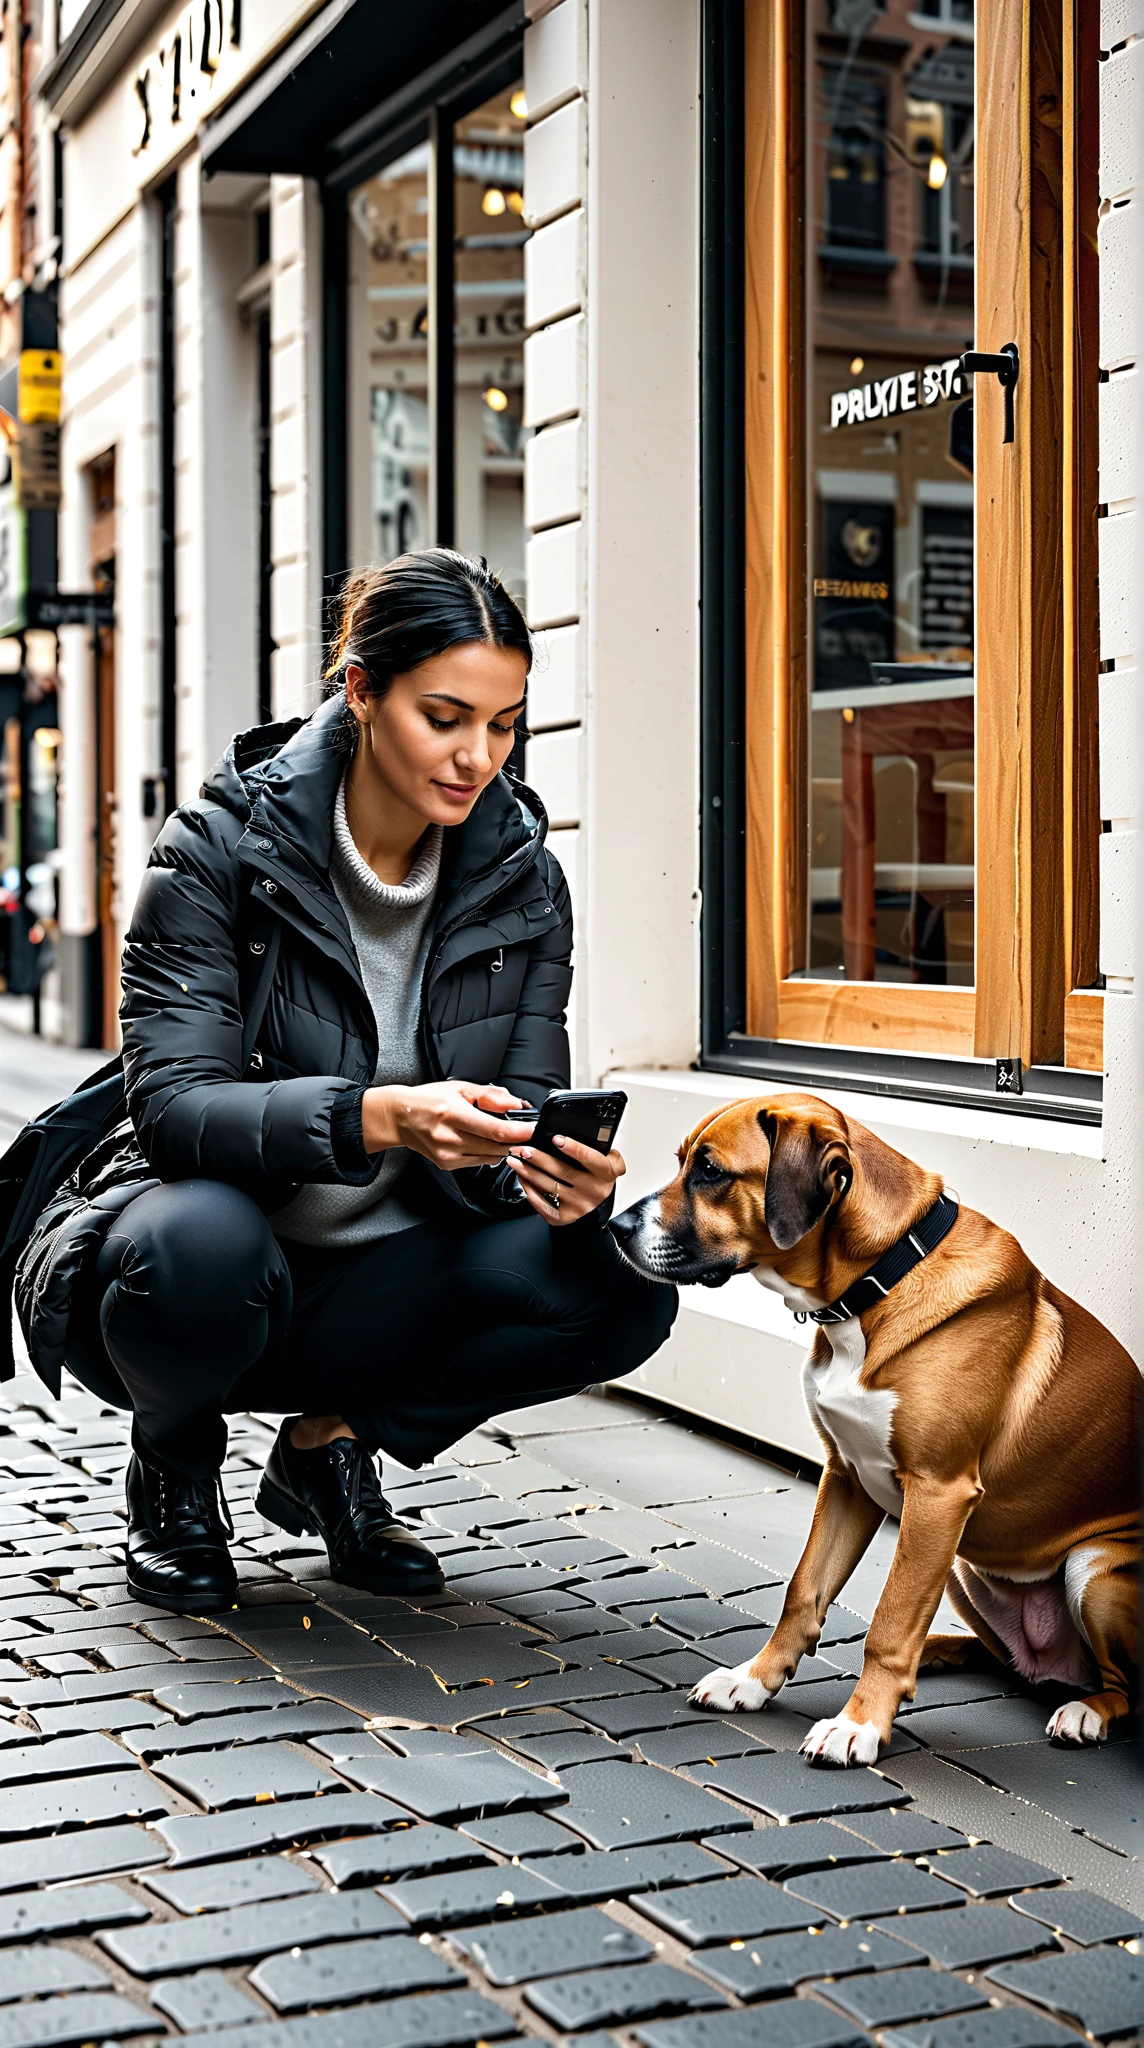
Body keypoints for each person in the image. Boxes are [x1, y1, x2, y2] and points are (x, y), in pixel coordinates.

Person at [20, 550, 677, 1612]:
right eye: (445, 715)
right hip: (210, 1268)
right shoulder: (218, 848)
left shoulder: (523, 874)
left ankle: (334, 1442)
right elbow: (176, 1109)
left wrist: (553, 1177)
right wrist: (375, 1117)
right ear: (361, 690)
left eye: (504, 724)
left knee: (620, 1286)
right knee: (195, 1244)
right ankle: (174, 1466)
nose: (477, 757)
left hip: (387, 1275)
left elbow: (517, 1108)